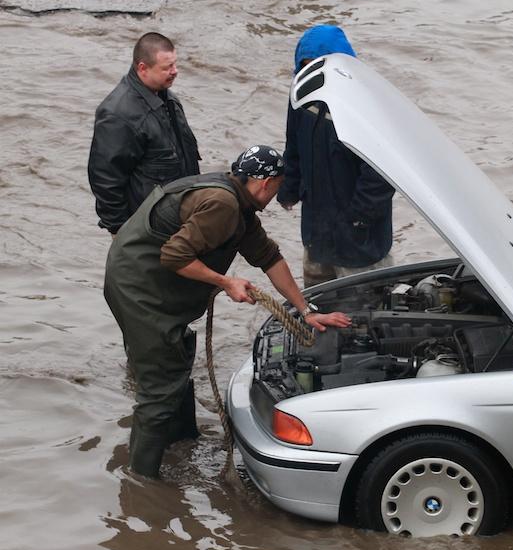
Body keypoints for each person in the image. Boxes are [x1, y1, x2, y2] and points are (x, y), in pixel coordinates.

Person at [104, 145, 351, 478]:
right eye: (278, 184)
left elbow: (269, 258)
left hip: (146, 281)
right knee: (159, 390)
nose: (277, 192)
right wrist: (225, 282)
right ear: (266, 183)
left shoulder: (239, 204)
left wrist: (305, 311)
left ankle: (181, 442)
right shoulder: (223, 205)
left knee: (176, 360)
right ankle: (141, 481)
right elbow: (174, 256)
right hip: (138, 289)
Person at [279, 24, 395, 287]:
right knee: (318, 297)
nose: (313, 73)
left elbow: (380, 176)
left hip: (360, 237)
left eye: (320, 65)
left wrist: (357, 219)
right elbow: (293, 145)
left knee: (367, 304)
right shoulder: (301, 93)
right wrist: (289, 189)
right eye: (306, 66)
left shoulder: (367, 104)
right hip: (317, 226)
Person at [88, 32, 201, 236]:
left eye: (175, 64)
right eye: (167, 67)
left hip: (179, 220)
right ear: (143, 68)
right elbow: (106, 180)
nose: (175, 71)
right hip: (146, 228)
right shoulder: (117, 114)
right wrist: (120, 232)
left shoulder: (168, 98)